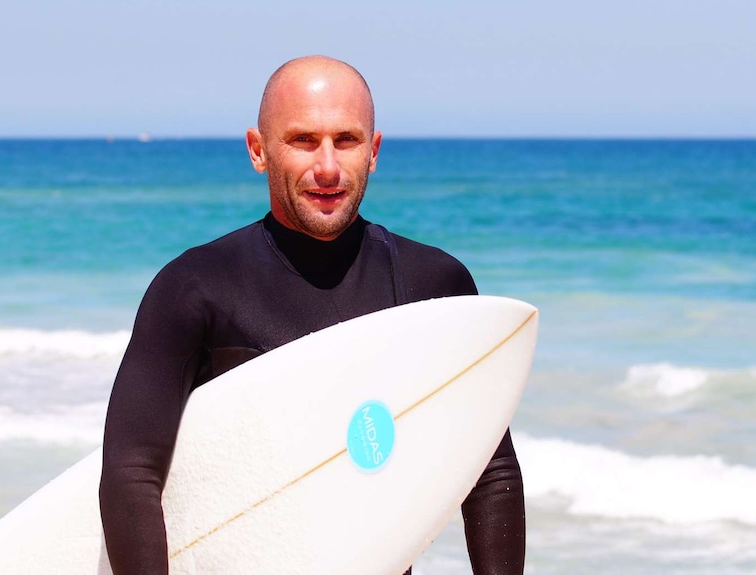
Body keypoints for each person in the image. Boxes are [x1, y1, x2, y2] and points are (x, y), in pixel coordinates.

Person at [99, 55, 525, 574]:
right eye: (303, 141)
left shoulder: (435, 285)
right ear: (258, 150)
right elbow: (132, 474)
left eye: (346, 140)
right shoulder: (194, 287)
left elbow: (491, 473)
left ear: (374, 151)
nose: (327, 167)